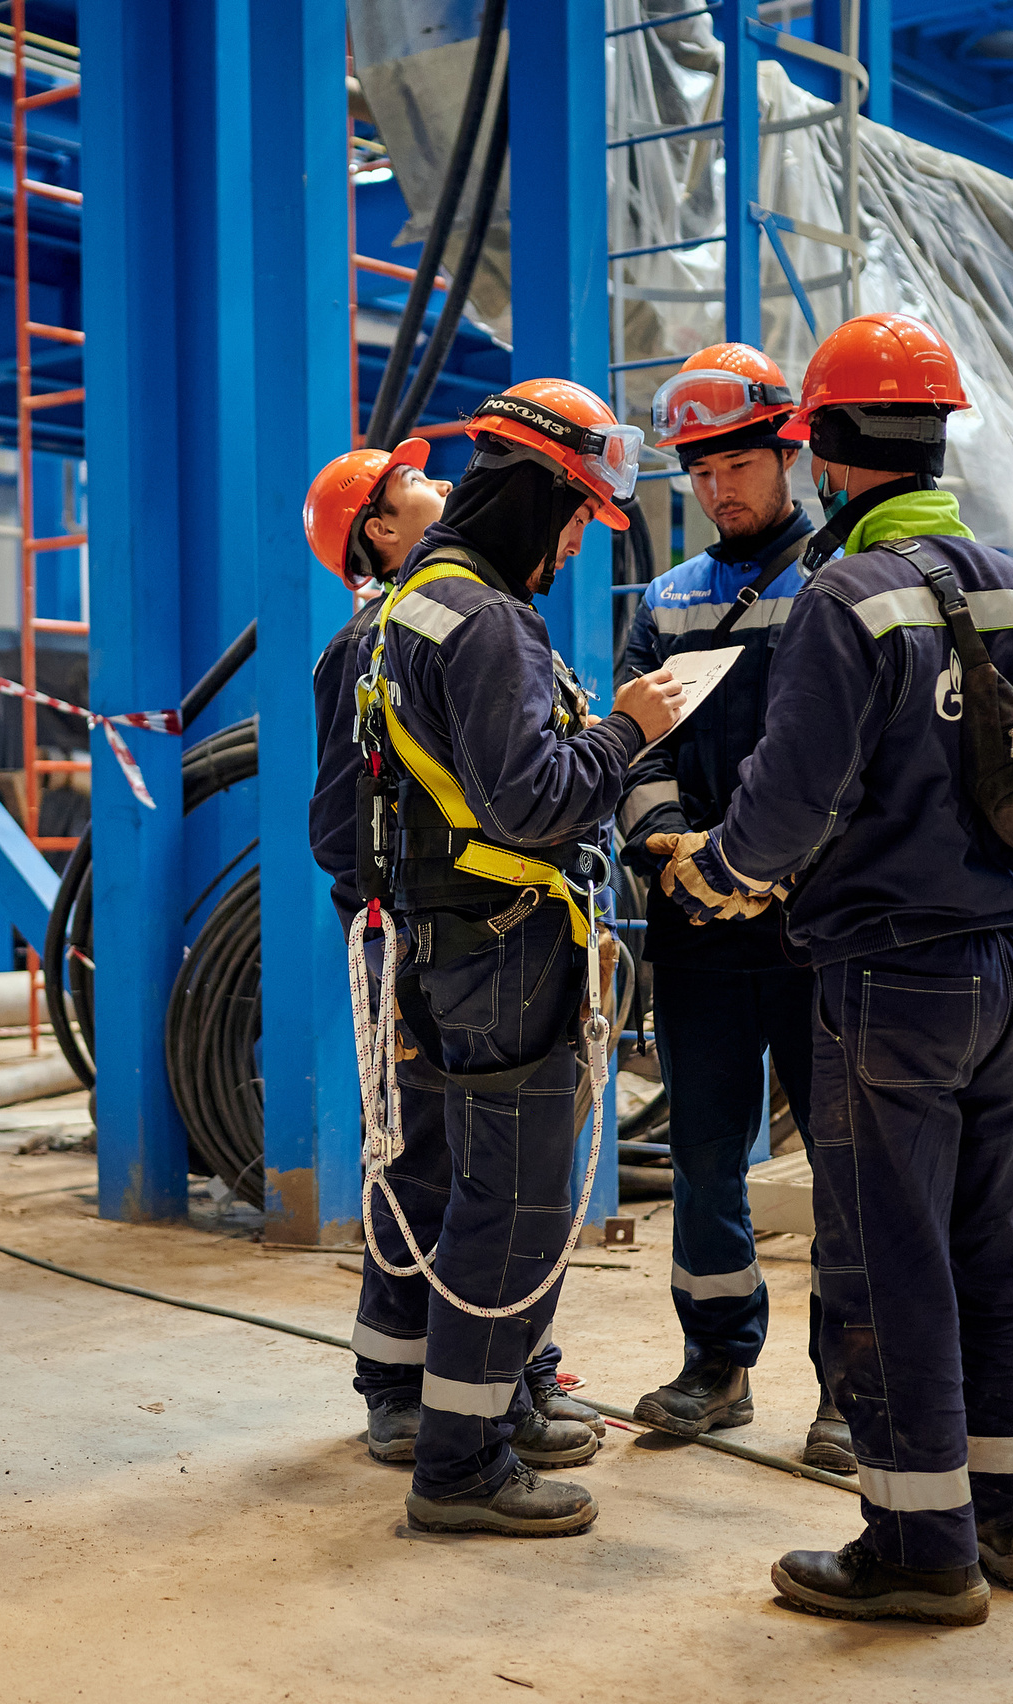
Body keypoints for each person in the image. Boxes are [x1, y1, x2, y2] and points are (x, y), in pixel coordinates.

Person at [653, 313, 1013, 1625]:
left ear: (828, 450)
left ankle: (919, 1550)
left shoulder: (852, 597)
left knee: (893, 1260)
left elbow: (786, 807)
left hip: (892, 982)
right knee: (989, 1255)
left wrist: (718, 875)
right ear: (939, 433)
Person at [362, 379, 682, 1537]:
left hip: (453, 944)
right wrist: (629, 730)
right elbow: (534, 801)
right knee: (513, 1208)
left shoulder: (413, 602)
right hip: (505, 952)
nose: (563, 553)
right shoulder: (491, 621)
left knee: (482, 1198)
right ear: (536, 497)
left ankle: (479, 1425)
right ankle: (460, 1466)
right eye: (569, 522)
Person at [303, 439, 606, 1475]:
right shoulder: (388, 637)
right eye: (408, 484)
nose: (436, 484)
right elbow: (343, 827)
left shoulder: (455, 612)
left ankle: (502, 1379)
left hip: (458, 938)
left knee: (496, 1178)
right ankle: (406, 1389)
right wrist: (410, 928)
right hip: (435, 944)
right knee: (436, 1171)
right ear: (379, 532)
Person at [615, 344, 850, 1474]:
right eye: (700, 472)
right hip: (696, 929)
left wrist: (776, 855)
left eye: (738, 464)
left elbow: (856, 751)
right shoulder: (664, 602)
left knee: (847, 1161)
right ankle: (716, 1364)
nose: (718, 490)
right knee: (706, 1156)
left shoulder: (841, 579)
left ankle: (850, 1392)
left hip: (816, 927)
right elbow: (630, 738)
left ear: (788, 451)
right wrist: (666, 841)